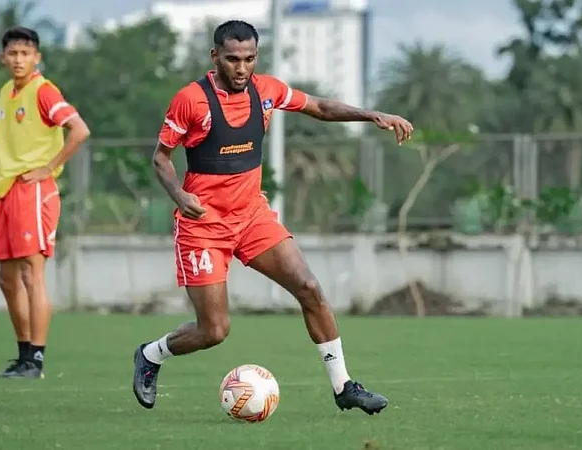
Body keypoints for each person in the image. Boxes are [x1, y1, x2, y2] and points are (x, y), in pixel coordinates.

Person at [132, 20, 413, 414]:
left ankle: (344, 386)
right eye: (232, 59)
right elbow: (161, 158)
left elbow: (319, 107)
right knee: (214, 330)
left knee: (309, 288)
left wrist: (370, 115)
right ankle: (151, 354)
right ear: (215, 57)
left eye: (249, 59)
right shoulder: (191, 100)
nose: (242, 68)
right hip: (204, 226)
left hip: (252, 217)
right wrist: (179, 195)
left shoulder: (267, 90)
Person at [0, 26, 90, 378]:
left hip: (33, 190)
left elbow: (79, 129)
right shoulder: (6, 92)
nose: (19, 60)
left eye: (25, 54)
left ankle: (37, 359)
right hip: (6, 190)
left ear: (37, 57)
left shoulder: (43, 90)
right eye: (13, 53)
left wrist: (49, 167)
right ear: (3, 57)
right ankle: (23, 356)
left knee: (32, 274)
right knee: (7, 279)